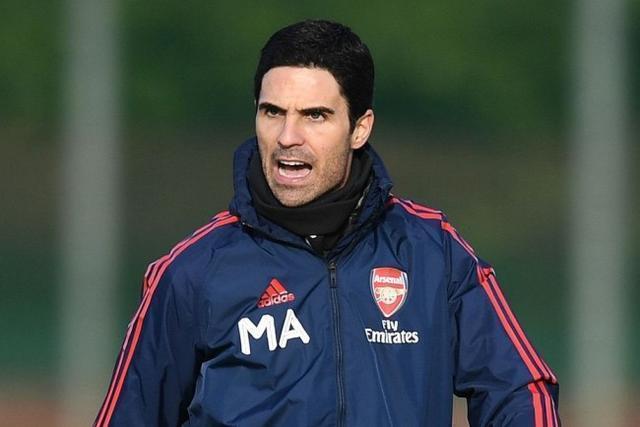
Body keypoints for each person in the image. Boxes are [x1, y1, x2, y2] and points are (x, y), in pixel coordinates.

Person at [95, 20, 560, 426]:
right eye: (272, 112)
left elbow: (520, 387)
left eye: (314, 115)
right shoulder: (192, 272)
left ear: (359, 128)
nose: (288, 136)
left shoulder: (433, 250)